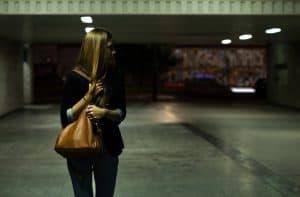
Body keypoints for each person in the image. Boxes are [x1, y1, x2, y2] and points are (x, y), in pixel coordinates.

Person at [60, 28, 126, 197]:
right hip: (80, 145)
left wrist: (104, 112)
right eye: (109, 47)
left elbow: (121, 112)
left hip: (108, 146)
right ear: (97, 49)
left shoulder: (115, 76)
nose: (113, 51)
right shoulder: (74, 78)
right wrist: (87, 97)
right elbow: (65, 117)